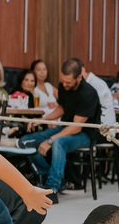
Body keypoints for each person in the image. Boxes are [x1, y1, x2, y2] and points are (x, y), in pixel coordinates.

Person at [20, 58, 101, 198]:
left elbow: (76, 127)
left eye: (68, 82)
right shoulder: (63, 86)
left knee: (58, 142)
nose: (64, 84)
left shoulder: (88, 93)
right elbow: (61, 108)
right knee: (26, 141)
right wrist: (41, 120)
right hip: (65, 128)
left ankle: (52, 189)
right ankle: (47, 175)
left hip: (85, 134)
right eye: (62, 80)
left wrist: (50, 140)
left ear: (79, 77)